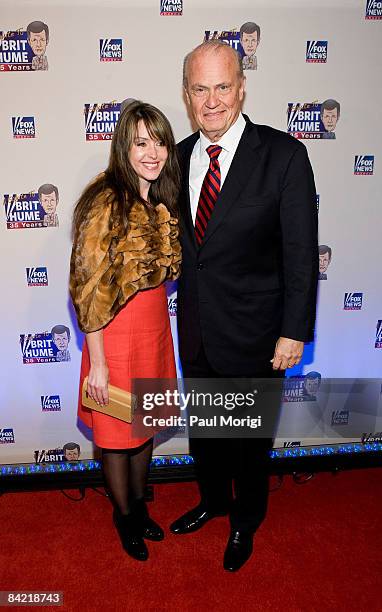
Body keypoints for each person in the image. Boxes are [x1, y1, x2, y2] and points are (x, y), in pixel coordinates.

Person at [170, 40, 318, 571]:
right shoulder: (179, 157)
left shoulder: (283, 156)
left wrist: (293, 331)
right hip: (197, 331)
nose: (212, 101)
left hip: (259, 335)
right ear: (187, 95)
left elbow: (301, 254)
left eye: (222, 86)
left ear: (242, 86)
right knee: (208, 432)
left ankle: (245, 521)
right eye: (200, 88)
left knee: (251, 442)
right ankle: (212, 500)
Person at [70, 100, 181, 561]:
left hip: (154, 326)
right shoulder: (106, 199)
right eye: (140, 143)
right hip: (112, 334)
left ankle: (139, 506)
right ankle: (125, 517)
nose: (151, 152)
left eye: (158, 142)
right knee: (117, 436)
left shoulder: (160, 196)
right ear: (124, 146)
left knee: (145, 426)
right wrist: (98, 361)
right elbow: (87, 284)